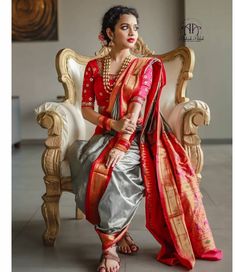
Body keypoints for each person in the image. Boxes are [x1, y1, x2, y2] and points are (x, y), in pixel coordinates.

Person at [67, 5, 223, 272]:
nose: (132, 33)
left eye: (135, 28)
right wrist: (111, 124)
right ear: (109, 32)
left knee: (115, 171)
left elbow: (137, 110)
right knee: (88, 164)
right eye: (125, 27)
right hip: (104, 134)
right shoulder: (94, 68)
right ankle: (121, 230)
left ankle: (108, 247)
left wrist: (122, 143)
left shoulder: (145, 66)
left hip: (138, 137)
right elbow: (86, 109)